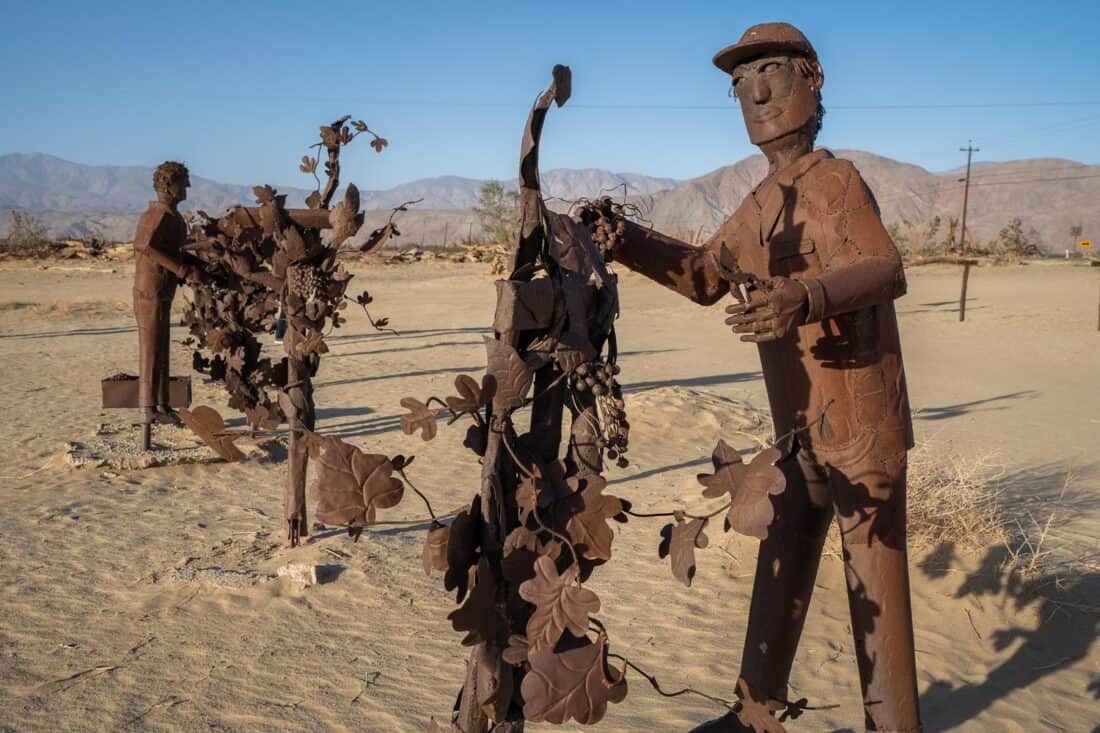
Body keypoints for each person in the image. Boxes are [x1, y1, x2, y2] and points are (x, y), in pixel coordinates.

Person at [606, 23, 921, 732]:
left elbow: (886, 267)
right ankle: (753, 713)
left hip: (862, 420)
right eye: (742, 81)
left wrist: (804, 296)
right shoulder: (762, 200)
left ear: (812, 78)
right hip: (801, 424)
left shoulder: (832, 179)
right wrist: (622, 237)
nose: (757, 91)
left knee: (874, 571)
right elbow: (701, 277)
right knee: (784, 548)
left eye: (772, 69)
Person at [132, 161, 201, 428]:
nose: (188, 187)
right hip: (149, 290)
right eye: (183, 181)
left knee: (161, 347)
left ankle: (161, 404)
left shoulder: (172, 216)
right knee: (150, 350)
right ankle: (147, 407)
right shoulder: (157, 215)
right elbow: (144, 245)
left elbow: (176, 251)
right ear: (168, 184)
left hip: (162, 290)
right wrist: (179, 268)